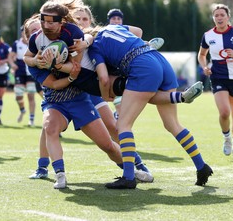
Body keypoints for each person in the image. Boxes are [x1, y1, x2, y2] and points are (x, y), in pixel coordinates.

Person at [24, 0, 148, 189]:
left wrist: (84, 45)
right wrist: (47, 64)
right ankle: (52, 171)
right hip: (60, 97)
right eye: (37, 28)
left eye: (47, 23)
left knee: (109, 138)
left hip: (86, 90)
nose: (43, 28)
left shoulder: (78, 33)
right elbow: (54, 80)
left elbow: (86, 50)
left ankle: (136, 167)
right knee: (49, 127)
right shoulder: (37, 50)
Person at [88, 24, 212, 189]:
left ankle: (129, 177)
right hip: (158, 59)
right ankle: (201, 166)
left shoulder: (93, 46)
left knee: (123, 125)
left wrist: (105, 95)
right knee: (172, 123)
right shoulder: (112, 27)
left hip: (142, 65)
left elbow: (103, 79)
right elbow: (138, 31)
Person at [197, 3, 233, 160]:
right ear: (213, 18)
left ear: (228, 17)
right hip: (218, 77)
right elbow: (201, 55)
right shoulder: (208, 35)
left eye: (222, 15)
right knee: (225, 112)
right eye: (216, 15)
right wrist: (205, 67)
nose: (219, 18)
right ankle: (226, 139)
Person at [9, 21, 43, 127]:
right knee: (18, 95)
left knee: (31, 96)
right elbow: (10, 57)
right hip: (19, 72)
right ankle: (22, 110)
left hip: (31, 73)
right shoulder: (16, 44)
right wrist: (12, 64)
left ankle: (31, 119)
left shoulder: (35, 42)